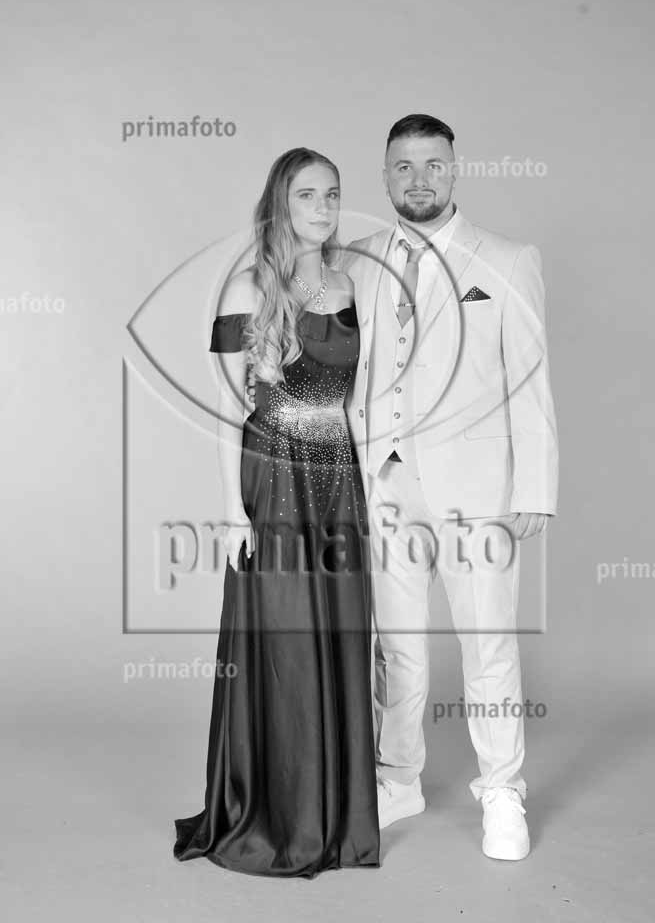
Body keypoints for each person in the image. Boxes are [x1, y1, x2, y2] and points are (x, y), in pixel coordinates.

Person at [339, 114, 558, 860]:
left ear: (455, 170)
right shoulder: (359, 261)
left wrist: (535, 487)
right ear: (385, 176)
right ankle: (397, 777)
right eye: (403, 166)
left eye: (433, 164)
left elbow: (530, 379)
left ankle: (501, 790)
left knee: (487, 644)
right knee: (396, 647)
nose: (419, 179)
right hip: (383, 484)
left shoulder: (507, 259)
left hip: (478, 491)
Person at [173, 148, 380, 878]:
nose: (323, 208)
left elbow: (359, 398)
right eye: (307, 195)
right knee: (287, 642)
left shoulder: (350, 282)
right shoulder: (247, 286)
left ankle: (336, 813)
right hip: (276, 477)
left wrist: (374, 488)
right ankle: (281, 815)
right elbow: (223, 409)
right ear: (279, 204)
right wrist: (233, 512)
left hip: (338, 477)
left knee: (342, 635)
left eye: (333, 195)